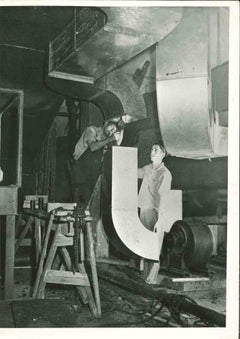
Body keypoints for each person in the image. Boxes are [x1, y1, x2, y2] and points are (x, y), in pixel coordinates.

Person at [138, 143, 172, 284]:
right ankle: (145, 279)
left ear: (163, 154)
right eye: (152, 149)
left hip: (156, 213)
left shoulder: (164, 173)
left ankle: (151, 280)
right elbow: (135, 171)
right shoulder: (148, 168)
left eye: (156, 150)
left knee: (153, 248)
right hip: (144, 210)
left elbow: (164, 197)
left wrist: (160, 219)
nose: (152, 151)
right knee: (145, 245)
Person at [72, 119, 124, 207]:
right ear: (106, 123)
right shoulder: (91, 130)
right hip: (81, 172)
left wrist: (114, 141)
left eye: (114, 130)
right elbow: (92, 147)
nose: (112, 131)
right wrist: (111, 139)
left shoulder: (106, 140)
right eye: (111, 127)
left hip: (93, 175)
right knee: (83, 203)